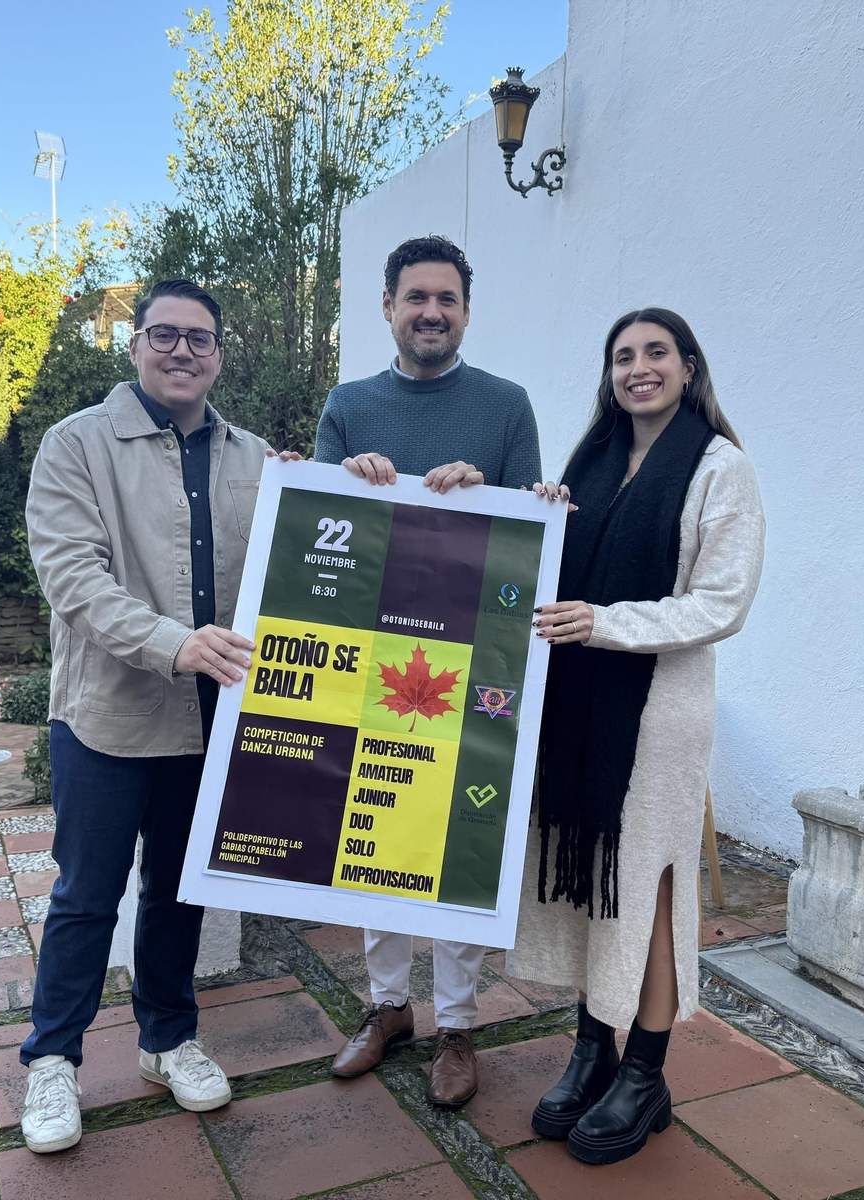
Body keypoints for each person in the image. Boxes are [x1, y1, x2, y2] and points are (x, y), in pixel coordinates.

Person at [18, 279, 300, 1154]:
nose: (183, 351)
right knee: (85, 897)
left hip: (212, 719)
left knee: (181, 891)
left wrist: (367, 483)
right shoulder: (76, 446)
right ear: (135, 345)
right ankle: (52, 1061)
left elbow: (321, 546)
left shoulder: (256, 458)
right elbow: (73, 580)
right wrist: (173, 643)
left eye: (201, 339)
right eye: (165, 335)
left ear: (220, 354)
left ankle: (168, 1039)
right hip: (108, 717)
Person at [511, 307, 765, 1164]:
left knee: (648, 882)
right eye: (623, 356)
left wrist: (605, 623)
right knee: (593, 875)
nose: (638, 368)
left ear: (688, 367)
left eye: (656, 353)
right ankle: (594, 1047)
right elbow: (542, 583)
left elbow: (720, 603)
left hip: (658, 708)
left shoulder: (720, 469)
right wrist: (540, 518)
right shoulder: (588, 463)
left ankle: (647, 1069)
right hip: (577, 704)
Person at [313, 234, 542, 1106]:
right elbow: (321, 531)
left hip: (476, 655)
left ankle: (456, 1024)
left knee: (457, 838)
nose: (432, 313)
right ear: (388, 308)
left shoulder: (507, 406)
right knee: (374, 829)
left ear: (467, 312)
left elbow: (534, 526)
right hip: (376, 653)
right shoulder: (348, 402)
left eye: (447, 299)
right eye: (417, 298)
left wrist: (487, 492)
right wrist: (349, 478)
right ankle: (385, 1008)